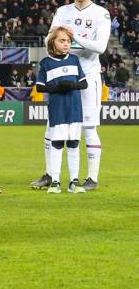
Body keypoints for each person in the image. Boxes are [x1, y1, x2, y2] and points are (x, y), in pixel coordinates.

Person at [32, 0, 110, 191]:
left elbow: (101, 47)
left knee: (88, 127)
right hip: (61, 74)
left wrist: (75, 37)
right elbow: (49, 37)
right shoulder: (62, 11)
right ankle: (50, 174)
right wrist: (59, 37)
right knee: (52, 125)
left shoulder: (101, 13)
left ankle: (92, 177)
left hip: (88, 76)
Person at [35, 27, 87, 194]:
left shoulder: (74, 60)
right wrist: (57, 88)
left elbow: (84, 83)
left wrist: (72, 85)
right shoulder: (46, 63)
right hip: (57, 109)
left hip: (74, 108)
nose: (66, 44)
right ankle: (55, 181)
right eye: (62, 40)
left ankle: (74, 181)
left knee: (73, 143)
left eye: (68, 41)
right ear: (53, 42)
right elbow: (40, 87)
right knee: (57, 143)